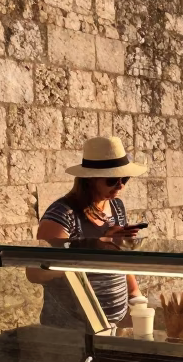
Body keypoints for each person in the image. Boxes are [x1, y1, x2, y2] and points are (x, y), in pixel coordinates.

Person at [30, 136, 147, 330]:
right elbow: (36, 272)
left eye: (125, 179)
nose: (120, 186)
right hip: (72, 327)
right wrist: (99, 245)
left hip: (111, 324)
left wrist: (135, 294)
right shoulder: (62, 215)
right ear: (90, 180)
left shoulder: (116, 206)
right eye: (112, 180)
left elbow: (120, 257)